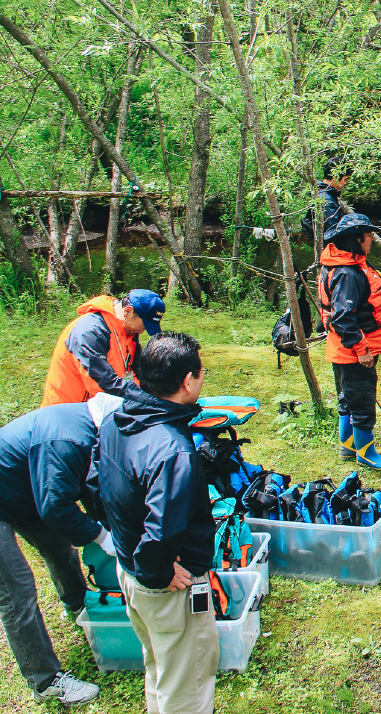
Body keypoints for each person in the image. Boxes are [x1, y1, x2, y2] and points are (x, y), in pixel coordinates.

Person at [95, 332, 219, 714]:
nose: (202, 379)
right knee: (188, 680)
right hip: (165, 585)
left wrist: (133, 558)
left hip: (128, 569)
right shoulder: (173, 450)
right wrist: (158, 571)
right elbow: (162, 528)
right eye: (201, 373)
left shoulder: (118, 420)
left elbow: (95, 483)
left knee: (161, 665)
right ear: (187, 381)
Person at [0, 394, 121, 705]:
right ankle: (45, 681)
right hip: (17, 496)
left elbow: (86, 485)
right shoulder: (67, 438)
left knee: (60, 548)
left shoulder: (85, 428)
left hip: (22, 491)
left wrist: (113, 525)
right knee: (18, 590)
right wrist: (102, 538)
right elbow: (55, 506)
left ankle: (80, 607)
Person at [318, 213, 381, 470]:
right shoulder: (348, 273)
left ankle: (347, 448)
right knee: (361, 400)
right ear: (356, 239)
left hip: (340, 348)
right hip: (353, 350)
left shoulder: (337, 265)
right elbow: (342, 317)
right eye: (368, 235)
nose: (371, 239)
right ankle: (366, 453)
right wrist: (362, 350)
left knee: (347, 398)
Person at [42, 289, 166, 408]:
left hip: (103, 407)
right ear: (128, 311)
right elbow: (104, 384)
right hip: (70, 412)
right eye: (144, 325)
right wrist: (148, 400)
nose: (143, 331)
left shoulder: (129, 330)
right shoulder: (90, 331)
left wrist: (162, 394)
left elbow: (139, 370)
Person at [300, 155, 351, 239]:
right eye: (345, 179)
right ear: (336, 176)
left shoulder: (323, 193)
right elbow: (334, 230)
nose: (345, 183)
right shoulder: (326, 199)